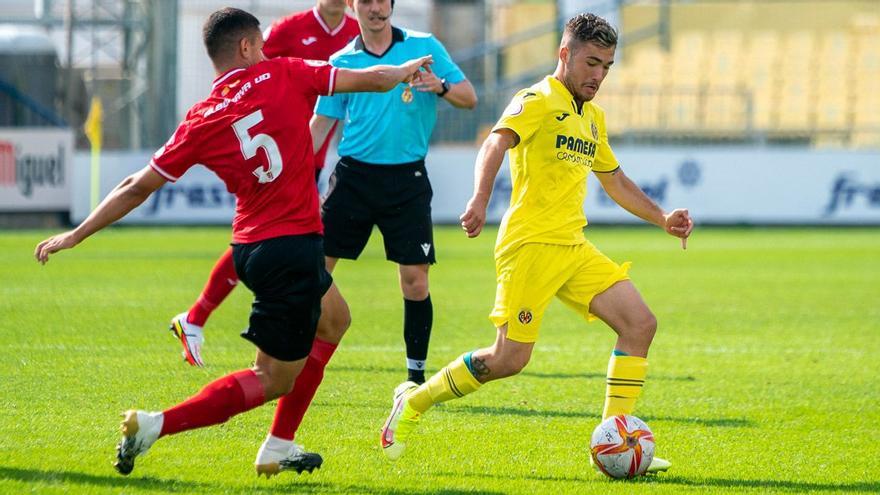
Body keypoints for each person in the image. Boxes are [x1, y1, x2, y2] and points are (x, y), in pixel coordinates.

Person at [34, 7, 432, 477]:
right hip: (292, 245)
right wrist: (405, 68)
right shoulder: (283, 73)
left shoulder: (201, 117)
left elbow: (135, 187)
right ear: (246, 47)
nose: (264, 50)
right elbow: (371, 79)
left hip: (250, 249)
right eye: (259, 44)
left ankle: (279, 444)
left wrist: (78, 233)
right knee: (272, 378)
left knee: (335, 319)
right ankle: (156, 425)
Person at [378, 13, 693, 475]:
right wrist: (480, 198)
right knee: (508, 359)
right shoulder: (537, 99)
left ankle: (615, 442)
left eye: (607, 65)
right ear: (564, 54)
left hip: (572, 245)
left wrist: (662, 218)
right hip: (530, 247)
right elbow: (495, 144)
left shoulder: (593, 118)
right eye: (591, 62)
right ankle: (413, 401)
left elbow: (615, 180)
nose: (598, 75)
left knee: (640, 325)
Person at [168, 0, 361, 368]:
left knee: (288, 241)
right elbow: (248, 79)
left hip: (313, 153)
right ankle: (197, 317)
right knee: (271, 238)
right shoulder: (289, 29)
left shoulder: (356, 32)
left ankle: (201, 318)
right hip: (280, 153)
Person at [309, 0, 478, 389]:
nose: (375, 8)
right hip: (353, 178)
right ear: (353, 6)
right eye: (365, 1)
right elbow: (321, 125)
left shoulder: (425, 47)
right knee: (312, 268)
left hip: (407, 181)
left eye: (381, 0)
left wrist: (441, 87)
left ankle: (414, 378)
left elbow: (469, 97)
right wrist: (295, 173)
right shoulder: (342, 60)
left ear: (391, 5)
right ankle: (290, 353)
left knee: (415, 281)